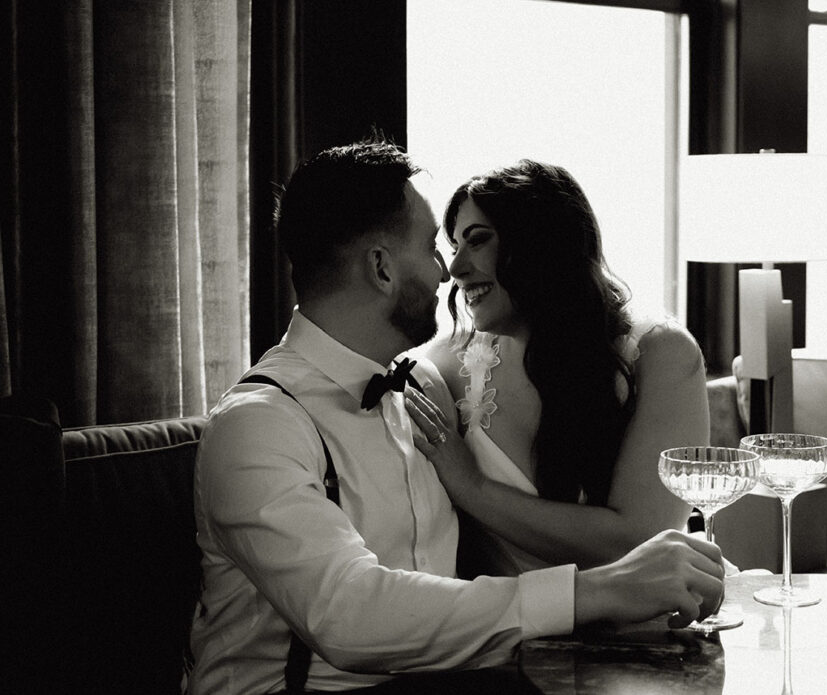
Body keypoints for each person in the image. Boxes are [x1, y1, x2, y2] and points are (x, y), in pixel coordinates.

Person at [188, 140, 726, 695]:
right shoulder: (258, 426)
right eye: (431, 246)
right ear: (381, 268)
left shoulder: (420, 387)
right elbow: (349, 618)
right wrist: (599, 591)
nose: (448, 270)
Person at [405, 159, 711, 577]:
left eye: (477, 241)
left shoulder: (658, 353)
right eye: (454, 246)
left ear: (539, 242)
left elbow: (641, 542)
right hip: (509, 630)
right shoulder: (441, 369)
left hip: (641, 626)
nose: (455, 269)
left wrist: (471, 486)